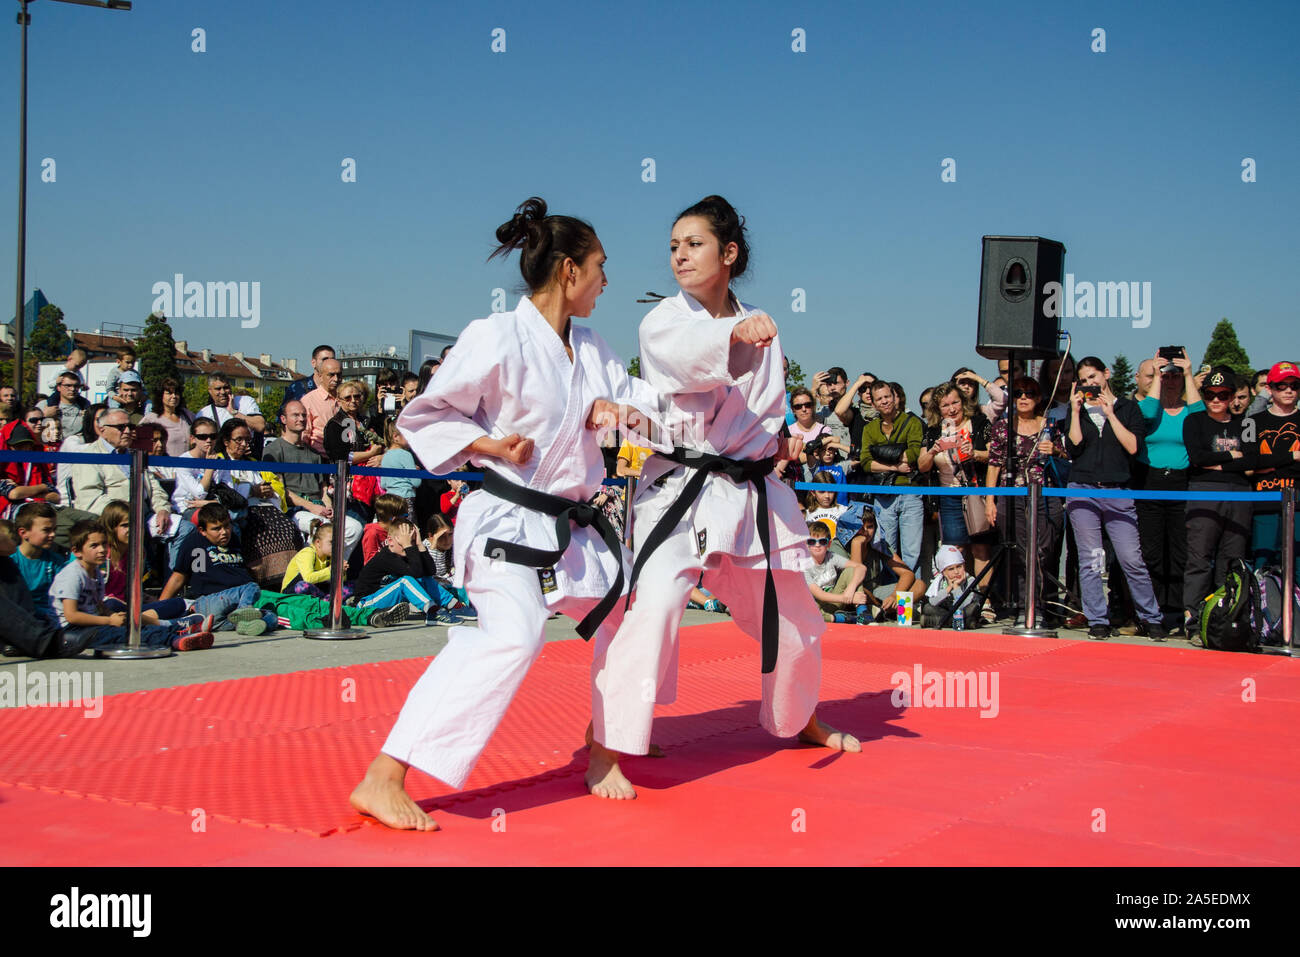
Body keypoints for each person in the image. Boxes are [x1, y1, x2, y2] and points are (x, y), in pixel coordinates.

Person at [350, 197, 662, 830]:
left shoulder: (595, 347)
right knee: (512, 635)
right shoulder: (493, 336)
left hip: (573, 529)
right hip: (505, 520)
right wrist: (488, 443)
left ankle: (605, 750)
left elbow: (642, 406)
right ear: (570, 271)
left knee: (629, 623)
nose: (607, 281)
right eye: (601, 267)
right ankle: (384, 775)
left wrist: (620, 412)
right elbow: (426, 416)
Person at [589, 194, 860, 805]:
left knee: (797, 618)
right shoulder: (662, 321)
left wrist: (778, 443)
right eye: (674, 247)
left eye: (694, 244)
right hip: (681, 494)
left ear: (729, 253)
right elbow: (688, 360)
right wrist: (731, 334)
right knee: (654, 610)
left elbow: (764, 411)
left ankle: (798, 719)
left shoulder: (762, 320)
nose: (679, 255)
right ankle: (605, 746)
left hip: (749, 494)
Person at [1183, 367, 1299, 630]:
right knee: (1199, 556)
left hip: (1239, 493)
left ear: (1232, 396)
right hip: (1204, 490)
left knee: (1232, 558)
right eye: (1210, 394)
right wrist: (1229, 457)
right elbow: (1197, 459)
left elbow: (1250, 461)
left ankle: (1228, 613)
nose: (1216, 400)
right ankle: (1193, 615)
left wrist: (1220, 463)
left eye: (1223, 395)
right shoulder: (1195, 421)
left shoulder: (1245, 423)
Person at [1063, 357, 1165, 640]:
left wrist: (1110, 414)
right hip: (1082, 490)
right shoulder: (1079, 409)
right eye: (1084, 380)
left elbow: (1133, 446)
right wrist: (1074, 411)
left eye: (1093, 377)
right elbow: (1074, 447)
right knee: (1091, 559)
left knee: (1132, 558)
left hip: (1118, 491)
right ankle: (1097, 618)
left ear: (1106, 374)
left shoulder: (1128, 407)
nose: (1090, 384)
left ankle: (1150, 617)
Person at [51, 519, 212, 654]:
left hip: (93, 622)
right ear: (77, 551)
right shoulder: (72, 575)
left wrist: (115, 617)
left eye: (104, 544)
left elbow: (98, 605)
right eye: (94, 546)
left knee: (130, 624)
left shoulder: (96, 573)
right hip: (72, 631)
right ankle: (175, 639)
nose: (101, 550)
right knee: (126, 634)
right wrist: (108, 620)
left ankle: (179, 631)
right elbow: (71, 615)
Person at [983, 377, 1067, 626]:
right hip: (1013, 495)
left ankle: (1040, 606)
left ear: (1038, 398)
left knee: (1041, 552)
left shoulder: (1050, 425)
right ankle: (1027, 608)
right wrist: (990, 501)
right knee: (1022, 553)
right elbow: (994, 465)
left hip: (1045, 494)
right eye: (1018, 393)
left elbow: (1066, 456)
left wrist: (1055, 450)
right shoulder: (1003, 427)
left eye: (1029, 393)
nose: (1023, 397)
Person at [1134, 347, 1202, 633]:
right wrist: (1158, 378)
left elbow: (1201, 418)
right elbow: (1147, 413)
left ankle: (1176, 610)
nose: (1171, 380)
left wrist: (1188, 372)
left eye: (1175, 376)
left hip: (1180, 482)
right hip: (1149, 482)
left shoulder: (1189, 411)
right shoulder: (1147, 408)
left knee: (1179, 551)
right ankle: (1151, 611)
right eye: (1166, 375)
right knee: (1150, 551)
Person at [262, 400, 363, 559]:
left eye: (303, 415)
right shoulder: (273, 450)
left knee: (354, 528)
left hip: (318, 508)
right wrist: (312, 507)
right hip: (293, 511)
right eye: (295, 415)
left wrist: (328, 506)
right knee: (321, 530)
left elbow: (322, 487)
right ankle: (306, 575)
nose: (301, 418)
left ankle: (334, 572)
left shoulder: (314, 453)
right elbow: (280, 490)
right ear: (283, 419)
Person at [159, 503, 280, 635]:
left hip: (224, 612)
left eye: (227, 526)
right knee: (251, 587)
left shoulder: (233, 540)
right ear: (202, 531)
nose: (224, 532)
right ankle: (244, 611)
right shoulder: (193, 543)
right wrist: (160, 608)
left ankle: (242, 624)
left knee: (271, 618)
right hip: (211, 601)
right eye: (216, 529)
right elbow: (178, 577)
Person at [213, 418, 302, 589]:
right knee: (260, 534)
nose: (244, 444)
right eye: (239, 440)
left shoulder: (253, 463)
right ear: (226, 441)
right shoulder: (219, 461)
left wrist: (269, 491)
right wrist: (251, 491)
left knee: (288, 528)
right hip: (241, 509)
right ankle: (265, 580)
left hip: (266, 507)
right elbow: (223, 491)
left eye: (247, 439)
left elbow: (273, 483)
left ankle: (289, 581)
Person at [860, 378, 925, 572]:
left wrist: (882, 455)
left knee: (912, 551)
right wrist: (895, 466)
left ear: (895, 397)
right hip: (884, 495)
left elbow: (914, 453)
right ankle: (891, 597)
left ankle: (909, 600)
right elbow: (865, 462)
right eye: (880, 399)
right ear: (873, 402)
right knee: (886, 549)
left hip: (910, 492)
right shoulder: (869, 429)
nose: (885, 401)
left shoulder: (912, 422)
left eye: (888, 396)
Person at [1245, 360, 1300, 568]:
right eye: (1281, 385)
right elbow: (1248, 464)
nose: (1289, 390)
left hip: (1298, 503)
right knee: (1263, 561)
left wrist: (1267, 463)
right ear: (1269, 389)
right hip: (1264, 501)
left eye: (1294, 385)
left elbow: (1258, 461)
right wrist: (1292, 457)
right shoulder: (1250, 421)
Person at [803, 520, 870, 624]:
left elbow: (861, 568)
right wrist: (846, 598)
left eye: (822, 541)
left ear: (829, 544)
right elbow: (819, 594)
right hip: (817, 606)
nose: (817, 545)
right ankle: (844, 618)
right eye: (812, 541)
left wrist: (851, 588)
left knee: (852, 570)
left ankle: (863, 613)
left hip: (835, 600)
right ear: (806, 544)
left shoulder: (831, 556)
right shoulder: (803, 565)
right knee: (807, 615)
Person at [324, 381, 385, 467]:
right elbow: (342, 457)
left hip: (371, 475)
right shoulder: (335, 425)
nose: (353, 400)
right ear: (339, 400)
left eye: (356, 396)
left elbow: (384, 444)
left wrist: (382, 457)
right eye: (347, 398)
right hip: (347, 476)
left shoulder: (367, 421)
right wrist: (371, 453)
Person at [139, 377, 194, 456]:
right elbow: (138, 445)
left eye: (176, 393)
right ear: (161, 396)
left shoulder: (188, 416)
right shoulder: (151, 419)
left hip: (186, 465)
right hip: (162, 466)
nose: (174, 396)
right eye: (169, 393)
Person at [302, 358, 343, 456]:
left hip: (346, 459)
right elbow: (304, 436)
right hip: (320, 459)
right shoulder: (309, 401)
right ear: (320, 376)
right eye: (331, 375)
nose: (336, 379)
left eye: (339, 374)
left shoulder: (347, 398)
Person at [282, 344, 336, 413]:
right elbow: (283, 416)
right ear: (313, 363)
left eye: (332, 360)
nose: (329, 363)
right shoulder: (297, 388)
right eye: (324, 359)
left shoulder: (340, 390)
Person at [43, 371, 89, 438]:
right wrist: (44, 416)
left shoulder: (85, 406)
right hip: (53, 446)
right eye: (68, 386)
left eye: (76, 386)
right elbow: (33, 428)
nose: (72, 389)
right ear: (58, 387)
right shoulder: (46, 405)